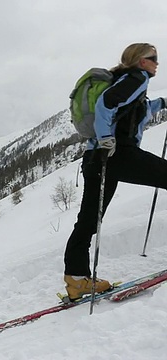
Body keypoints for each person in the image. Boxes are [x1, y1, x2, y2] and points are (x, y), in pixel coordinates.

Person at [64, 43, 167, 301]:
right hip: (116, 153)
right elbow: (105, 104)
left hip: (96, 158)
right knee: (89, 219)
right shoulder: (137, 78)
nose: (157, 62)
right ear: (141, 61)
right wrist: (107, 138)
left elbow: (134, 110)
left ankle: (77, 281)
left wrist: (162, 104)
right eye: (152, 57)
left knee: (88, 220)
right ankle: (78, 280)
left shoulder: (124, 80)